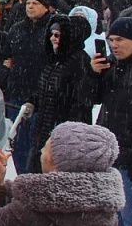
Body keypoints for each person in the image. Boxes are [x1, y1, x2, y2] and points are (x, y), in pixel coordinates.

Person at [87, 15, 132, 226]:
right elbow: (94, 98)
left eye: (121, 40)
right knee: (114, 211)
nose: (114, 45)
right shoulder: (115, 69)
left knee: (129, 214)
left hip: (128, 153)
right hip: (111, 150)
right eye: (111, 40)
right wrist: (94, 74)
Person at [25, 14, 92, 173]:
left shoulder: (79, 61)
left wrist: (65, 130)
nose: (53, 38)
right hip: (44, 127)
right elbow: (45, 88)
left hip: (63, 132)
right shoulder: (54, 58)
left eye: (57, 35)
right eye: (51, 34)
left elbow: (81, 101)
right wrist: (33, 101)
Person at [5, 0, 54, 174]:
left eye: (35, 3)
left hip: (42, 94)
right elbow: (6, 54)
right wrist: (6, 70)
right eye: (28, 3)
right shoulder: (18, 28)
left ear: (46, 7)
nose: (30, 6)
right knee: (18, 141)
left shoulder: (52, 29)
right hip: (17, 92)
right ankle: (22, 179)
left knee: (39, 143)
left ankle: (36, 180)